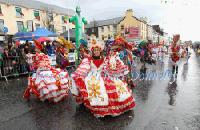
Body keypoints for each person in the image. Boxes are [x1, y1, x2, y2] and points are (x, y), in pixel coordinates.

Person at [70, 38, 135, 117]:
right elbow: (83, 68)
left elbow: (110, 67)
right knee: (94, 85)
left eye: (98, 50)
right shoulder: (88, 59)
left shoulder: (105, 59)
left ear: (100, 51)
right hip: (92, 76)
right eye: (95, 50)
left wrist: (113, 59)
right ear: (92, 51)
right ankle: (96, 106)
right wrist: (78, 75)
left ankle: (111, 106)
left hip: (103, 74)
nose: (96, 51)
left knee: (114, 84)